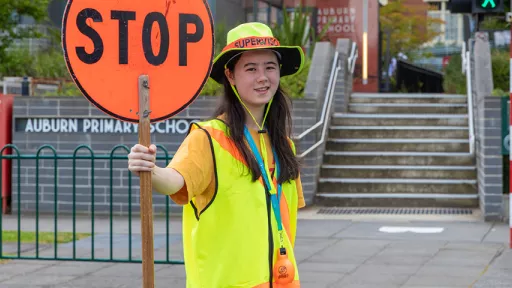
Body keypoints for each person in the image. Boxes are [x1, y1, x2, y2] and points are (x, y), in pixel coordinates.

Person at [128, 22, 306, 287]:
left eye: (270, 67)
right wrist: (151, 169)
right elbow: (175, 181)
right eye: (251, 68)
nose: (263, 77)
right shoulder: (208, 138)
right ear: (230, 76)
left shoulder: (284, 146)